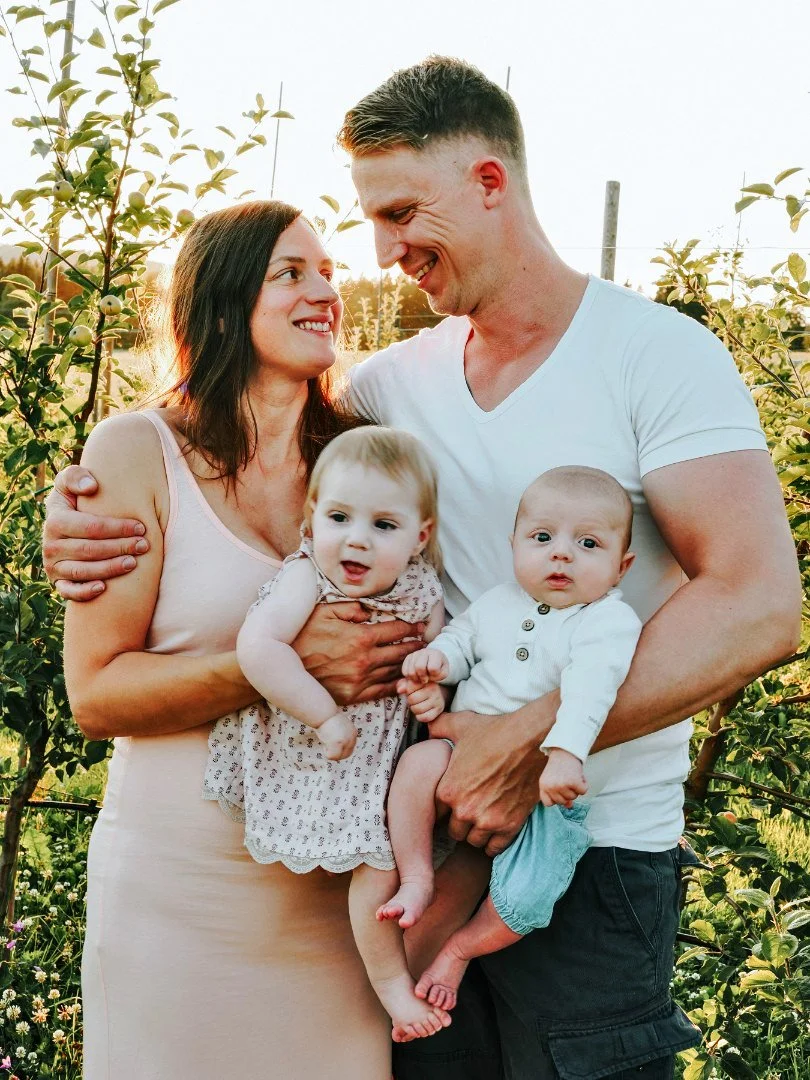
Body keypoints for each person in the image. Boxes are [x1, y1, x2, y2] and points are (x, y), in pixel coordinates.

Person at [45, 58, 801, 1079]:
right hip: (409, 867)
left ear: (490, 182)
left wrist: (526, 744)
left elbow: (758, 607)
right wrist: (81, 509)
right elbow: (232, 487)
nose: (382, 254)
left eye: (401, 212)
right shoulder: (389, 395)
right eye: (368, 222)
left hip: (583, 862)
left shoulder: (655, 354)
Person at [60, 201, 425, 1079]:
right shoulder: (138, 449)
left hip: (336, 911)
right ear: (223, 300)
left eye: (328, 272)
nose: (326, 291)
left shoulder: (363, 458)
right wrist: (275, 672)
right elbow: (97, 695)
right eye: (289, 273)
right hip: (176, 900)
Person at [203, 425, 451, 1042]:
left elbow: (442, 656)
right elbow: (258, 648)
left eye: (384, 526)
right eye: (340, 516)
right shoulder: (308, 574)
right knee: (356, 867)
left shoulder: (422, 587)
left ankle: (393, 989)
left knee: (379, 869)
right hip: (307, 747)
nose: (357, 540)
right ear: (313, 518)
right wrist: (323, 713)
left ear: (420, 536)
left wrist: (431, 686)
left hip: (378, 766)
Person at [380, 466, 641, 1015]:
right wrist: (439, 663)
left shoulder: (606, 620)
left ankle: (460, 949)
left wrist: (564, 755)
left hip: (546, 791)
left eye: (587, 543)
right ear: (514, 545)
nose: (561, 555)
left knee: (528, 897)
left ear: (622, 566)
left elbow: (593, 688)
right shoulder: (499, 602)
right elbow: (462, 640)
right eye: (542, 538)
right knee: (416, 765)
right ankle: (418, 877)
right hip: (457, 754)